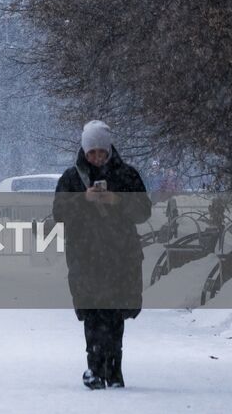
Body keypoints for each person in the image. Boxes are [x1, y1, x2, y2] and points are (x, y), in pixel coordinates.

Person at [52, 120, 152, 390]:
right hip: (85, 256)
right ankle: (94, 367)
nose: (97, 158)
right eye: (92, 152)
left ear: (109, 150)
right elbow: (58, 212)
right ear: (84, 151)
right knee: (93, 312)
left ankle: (114, 369)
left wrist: (116, 201)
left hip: (120, 256)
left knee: (115, 313)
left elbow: (143, 211)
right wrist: (83, 199)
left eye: (101, 152)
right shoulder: (71, 178)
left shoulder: (127, 175)